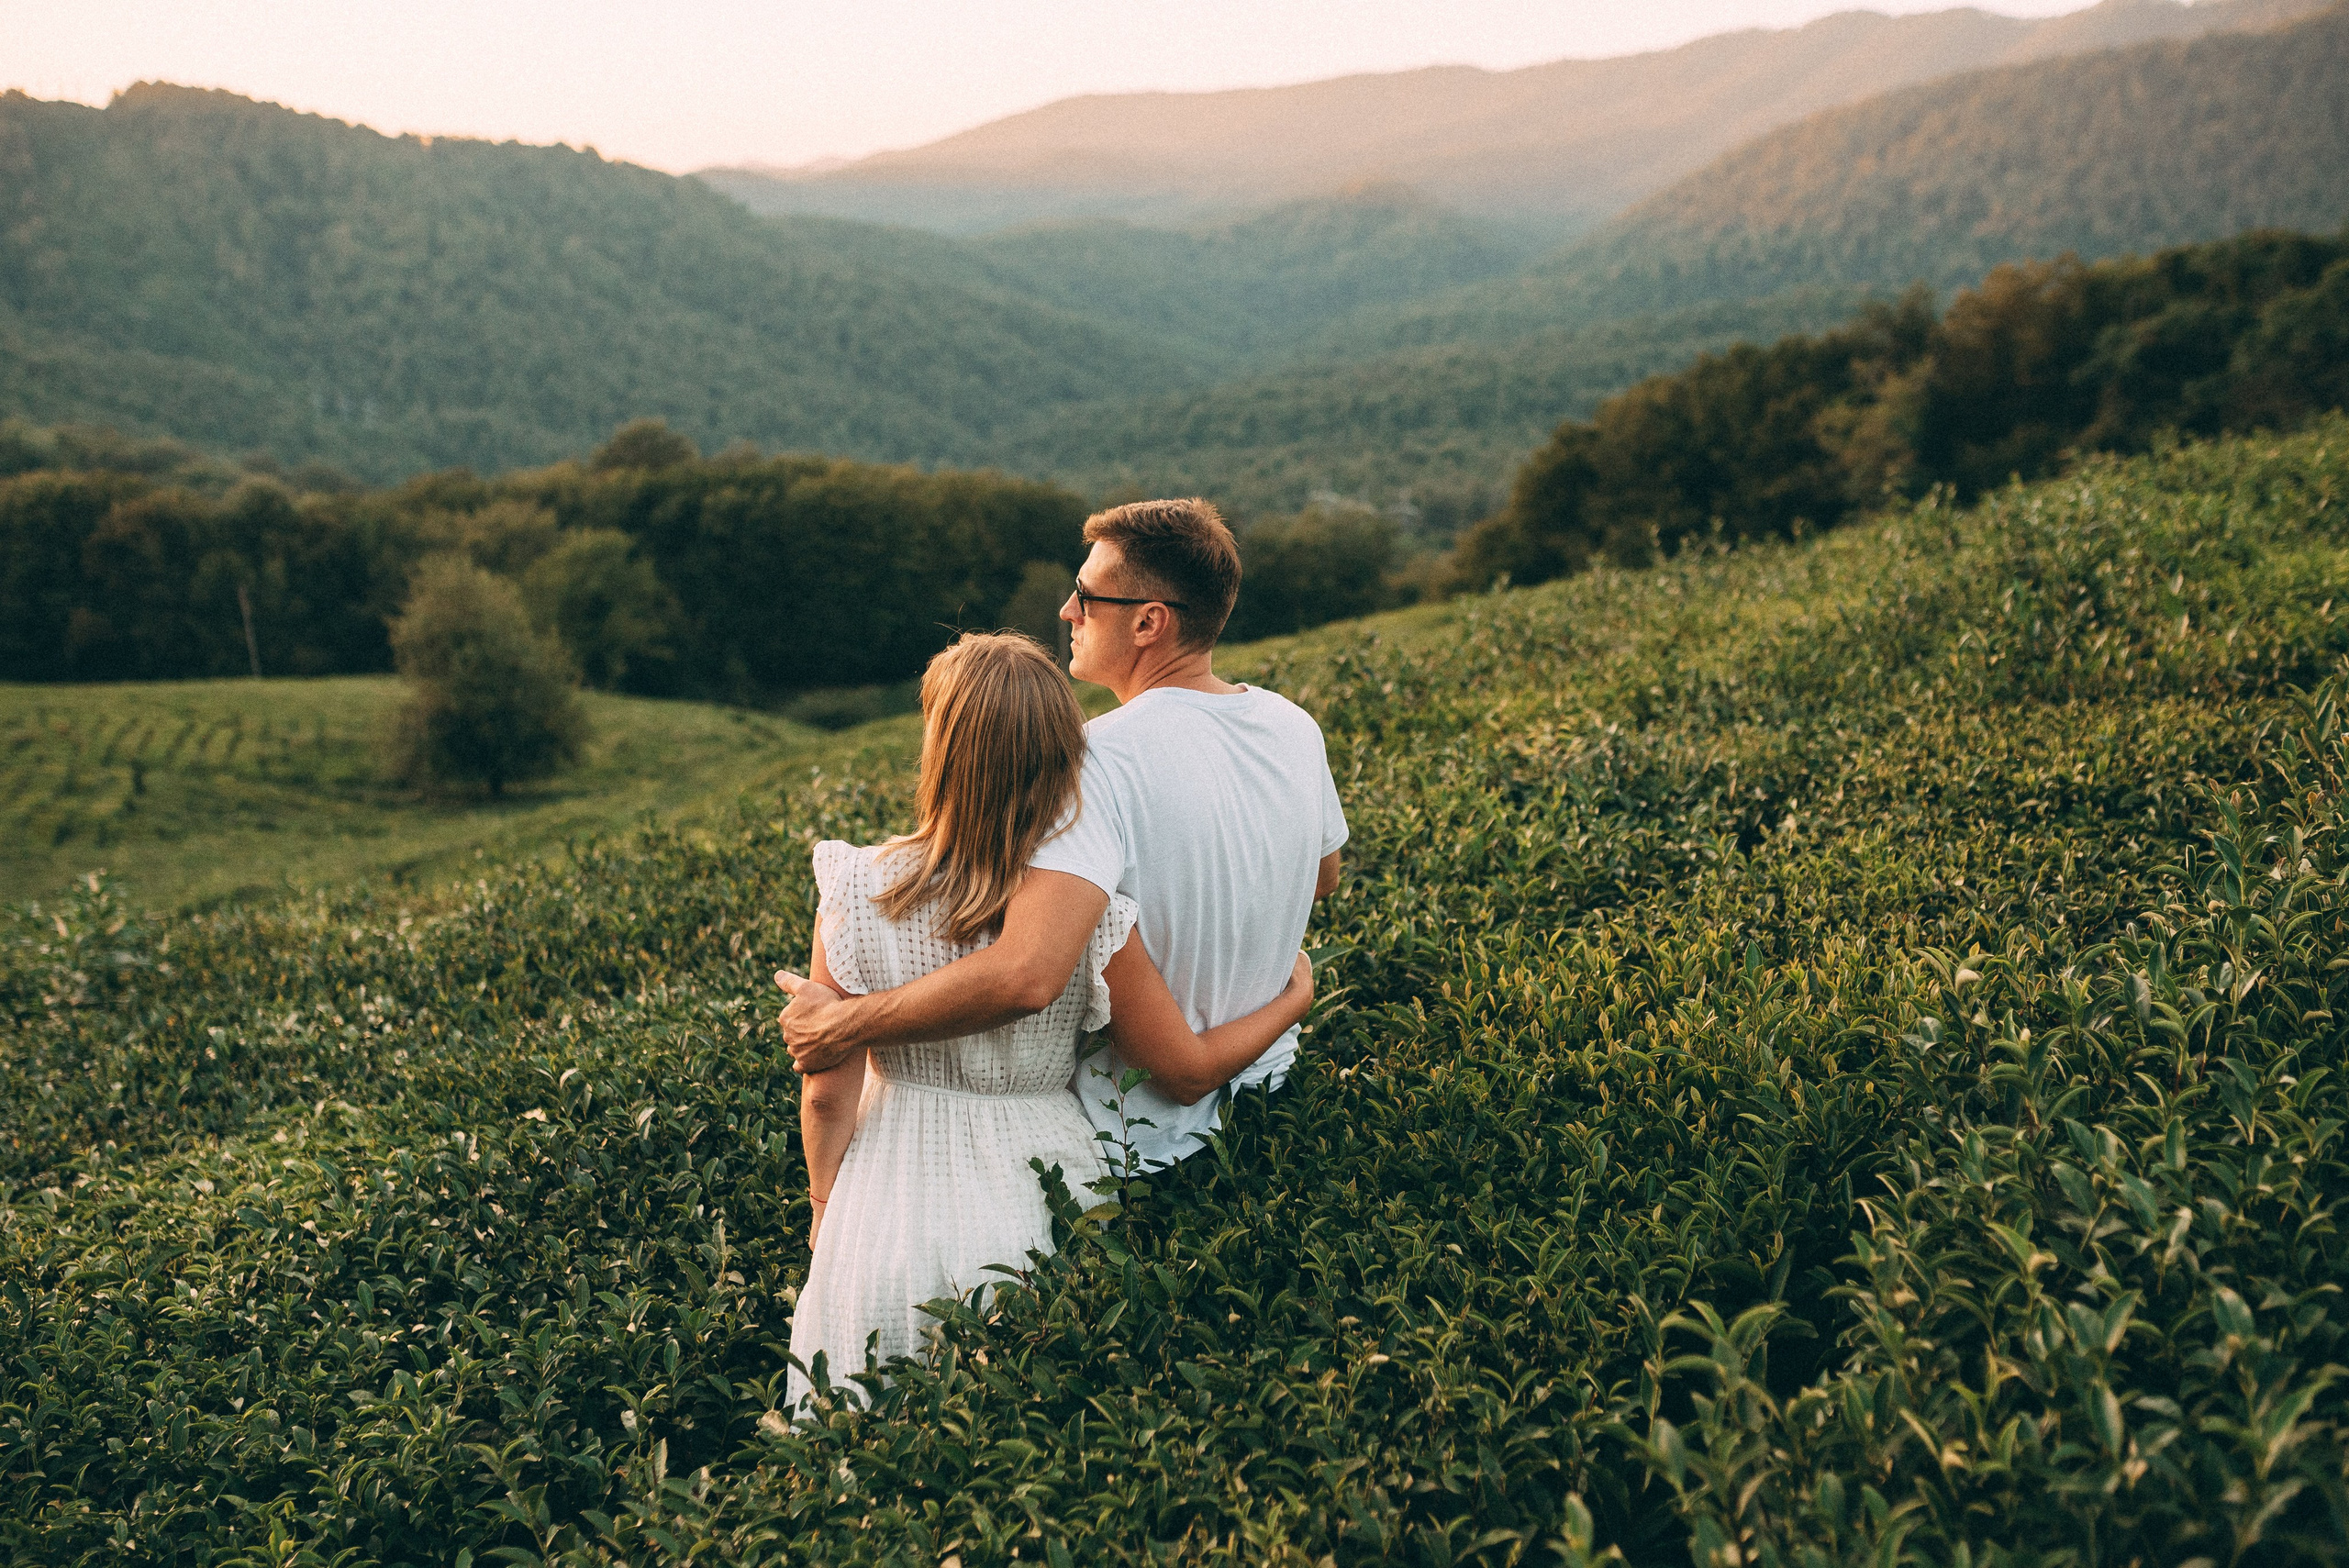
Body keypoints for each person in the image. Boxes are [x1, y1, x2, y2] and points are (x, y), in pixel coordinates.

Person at [777, 631, 1315, 1408]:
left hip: (887, 1199)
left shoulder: (856, 893)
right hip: (1049, 1189)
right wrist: (1295, 996)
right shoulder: (1089, 919)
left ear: (941, 745)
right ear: (1062, 755)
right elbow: (1186, 1063)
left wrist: (827, 1206)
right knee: (1041, 1428)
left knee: (858, 1429)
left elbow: (827, 1094)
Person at [782, 497, 1347, 1172]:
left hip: (1139, 1149)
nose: (1067, 611)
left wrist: (848, 1021)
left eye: (1086, 595)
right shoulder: (1294, 726)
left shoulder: (1090, 763)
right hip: (1274, 1095)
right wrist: (1283, 991)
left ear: (1148, 622)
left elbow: (1027, 973)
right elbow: (1322, 876)